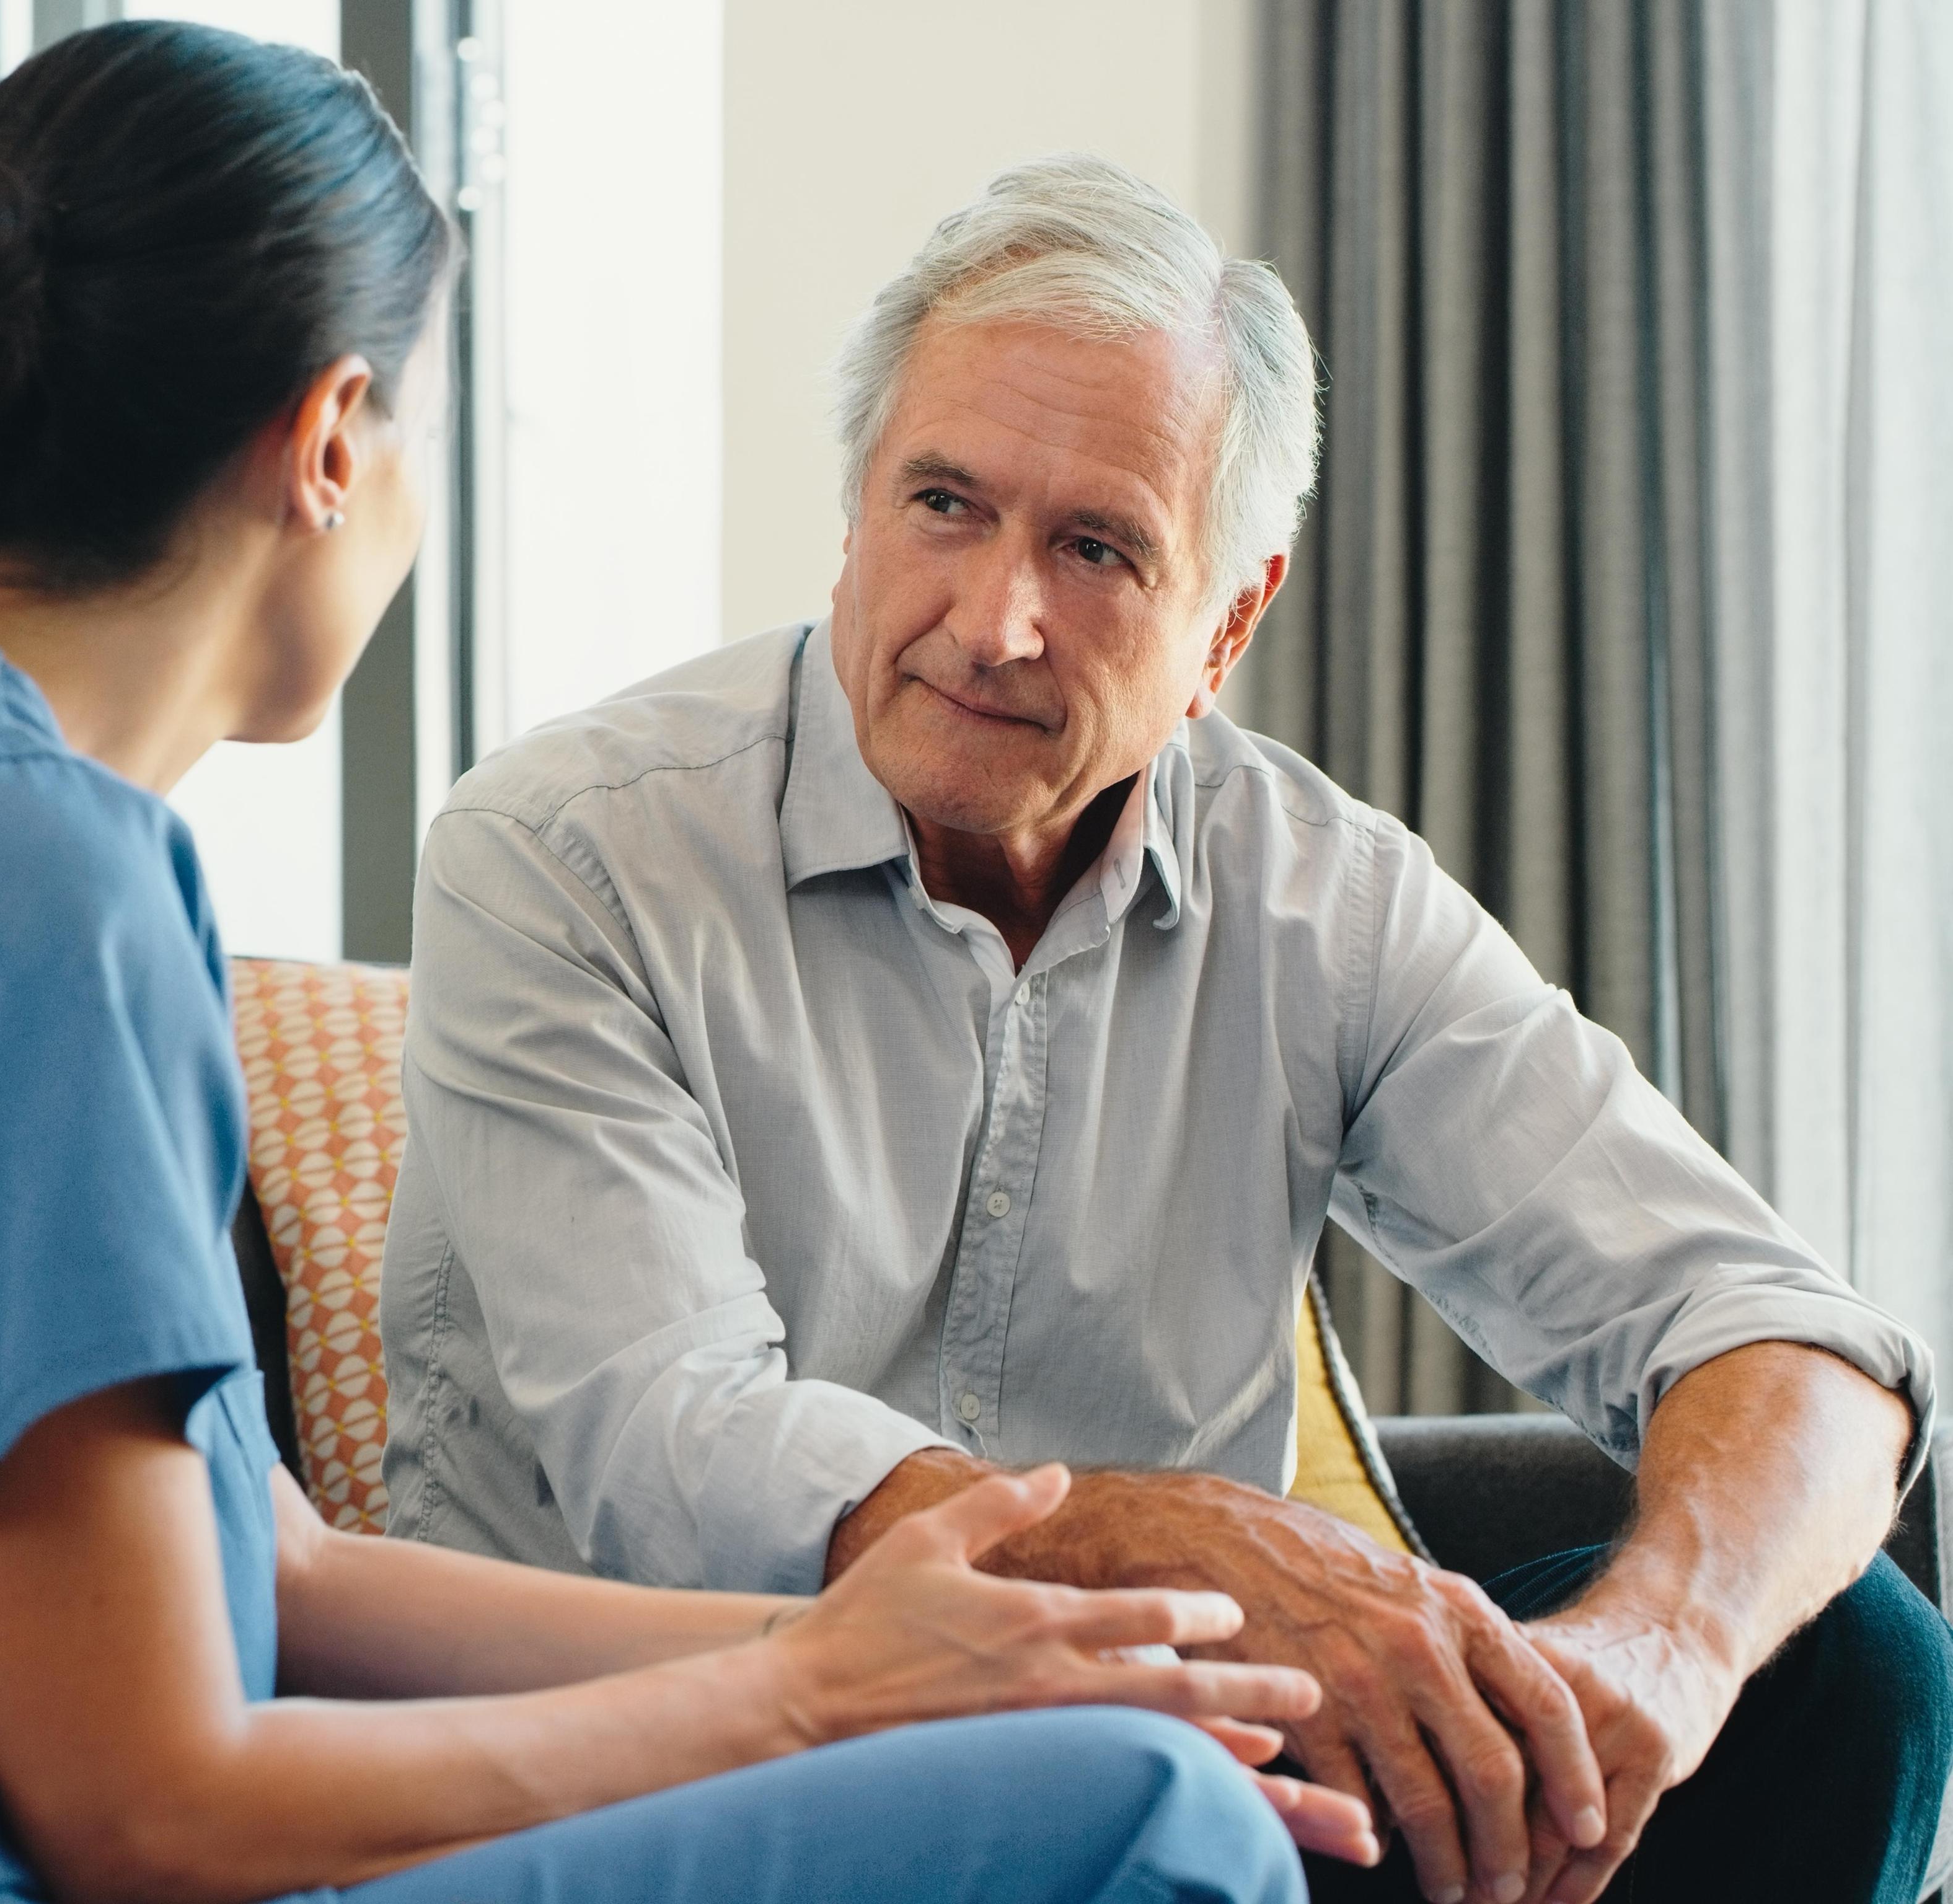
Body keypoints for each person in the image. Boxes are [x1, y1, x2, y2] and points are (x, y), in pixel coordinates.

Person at [0, 31, 1380, 1904]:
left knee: (1091, 1751)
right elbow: (147, 1808)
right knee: (1148, 1820)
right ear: (335, 439)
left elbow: (275, 1576)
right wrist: (811, 1705)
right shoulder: (5, 877)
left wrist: (898, 1661)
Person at [381, 153, 1953, 1904]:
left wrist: (1657, 1652)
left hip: (1188, 1786)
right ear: (851, 514)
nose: (996, 623)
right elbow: (668, 1444)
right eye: (945, 507)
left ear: (1229, 620)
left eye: (1099, 547)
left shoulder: (1325, 898)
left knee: (1852, 1666)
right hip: (694, 1759)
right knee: (1149, 1795)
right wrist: (1160, 1538)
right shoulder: (560, 855)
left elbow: (1787, 1338)